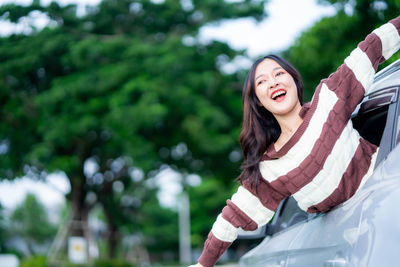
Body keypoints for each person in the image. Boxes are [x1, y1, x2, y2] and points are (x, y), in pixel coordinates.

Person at [189, 15, 400, 267]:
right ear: (258, 101)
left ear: (293, 80)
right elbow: (231, 218)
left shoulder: (329, 98)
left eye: (279, 73)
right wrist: (203, 264)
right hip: (346, 244)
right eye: (262, 82)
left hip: (385, 210)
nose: (273, 82)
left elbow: (371, 47)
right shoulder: (269, 168)